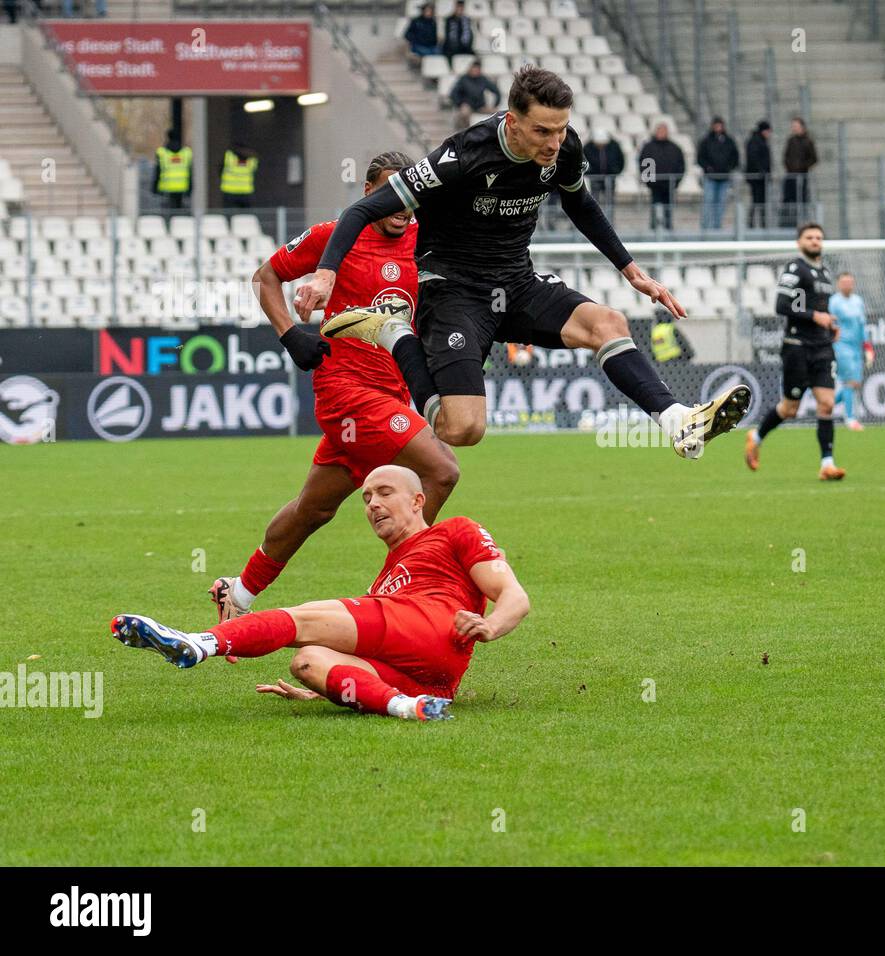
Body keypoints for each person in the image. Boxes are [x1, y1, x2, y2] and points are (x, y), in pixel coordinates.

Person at [294, 66, 751, 461]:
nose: (556, 142)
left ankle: (678, 421)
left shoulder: (564, 148)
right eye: (543, 132)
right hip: (454, 289)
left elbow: (581, 204)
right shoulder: (462, 156)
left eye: (561, 129)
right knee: (463, 430)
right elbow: (359, 211)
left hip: (517, 281)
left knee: (607, 322)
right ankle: (395, 333)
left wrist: (630, 270)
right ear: (512, 122)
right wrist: (325, 272)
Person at [209, 151, 461, 624]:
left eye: (409, 196)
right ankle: (394, 589)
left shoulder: (425, 242)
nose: (401, 206)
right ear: (369, 194)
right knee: (443, 471)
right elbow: (266, 277)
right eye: (390, 194)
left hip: (388, 396)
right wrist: (290, 337)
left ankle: (237, 592)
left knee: (313, 510)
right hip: (346, 390)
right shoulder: (335, 236)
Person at [112, 465, 528, 723]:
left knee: (306, 618)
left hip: (437, 628)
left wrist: (490, 625)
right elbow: (364, 655)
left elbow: (513, 595)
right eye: (366, 497)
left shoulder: (453, 530)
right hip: (433, 682)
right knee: (308, 660)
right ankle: (407, 708)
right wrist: (330, 688)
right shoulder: (383, 582)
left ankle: (198, 644)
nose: (372, 504)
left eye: (384, 492)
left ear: (419, 500)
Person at [744, 223, 845, 481]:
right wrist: (815, 316)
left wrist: (829, 325)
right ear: (799, 242)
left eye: (819, 237)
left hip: (822, 347)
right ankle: (755, 437)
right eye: (809, 237)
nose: (815, 241)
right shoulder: (795, 269)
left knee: (827, 404)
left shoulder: (825, 272)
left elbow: (819, 307)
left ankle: (827, 464)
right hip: (797, 347)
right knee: (790, 409)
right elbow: (781, 305)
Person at [828, 271, 870, 431]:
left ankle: (827, 405)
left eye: (849, 282)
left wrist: (867, 346)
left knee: (855, 383)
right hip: (841, 345)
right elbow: (830, 324)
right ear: (839, 284)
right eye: (844, 282)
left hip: (856, 347)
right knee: (849, 381)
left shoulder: (858, 301)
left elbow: (862, 325)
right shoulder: (834, 302)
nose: (847, 285)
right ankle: (850, 418)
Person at [638, 122, 685, 231]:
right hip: (655, 185)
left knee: (669, 209)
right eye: (660, 130)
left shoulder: (675, 148)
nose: (662, 133)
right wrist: (649, 181)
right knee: (655, 207)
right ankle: (654, 229)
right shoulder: (648, 147)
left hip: (669, 185)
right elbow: (643, 164)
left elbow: (681, 166)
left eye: (664, 131)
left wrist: (676, 181)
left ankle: (668, 228)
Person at [696, 116, 739, 231]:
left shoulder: (729, 141)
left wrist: (729, 168)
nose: (718, 128)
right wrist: (708, 168)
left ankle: (717, 227)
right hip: (710, 178)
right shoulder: (706, 141)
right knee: (708, 202)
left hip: (724, 178)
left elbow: (735, 157)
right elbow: (700, 157)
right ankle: (705, 227)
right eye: (716, 125)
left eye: (720, 125)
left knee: (721, 204)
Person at [780, 117, 817, 228]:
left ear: (802, 127)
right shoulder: (791, 140)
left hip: (802, 175)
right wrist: (789, 166)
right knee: (787, 198)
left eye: (796, 126)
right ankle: (787, 223)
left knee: (801, 199)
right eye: (793, 126)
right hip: (790, 174)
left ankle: (802, 222)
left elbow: (814, 158)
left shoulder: (808, 141)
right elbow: (786, 156)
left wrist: (803, 167)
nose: (794, 128)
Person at [449, 59, 501, 130]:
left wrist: (495, 105)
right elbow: (453, 93)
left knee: (497, 114)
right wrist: (460, 104)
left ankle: (491, 133)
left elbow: (496, 91)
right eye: (474, 68)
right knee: (464, 113)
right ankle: (464, 132)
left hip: (480, 106)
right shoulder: (463, 79)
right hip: (468, 106)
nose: (475, 71)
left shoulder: (483, 79)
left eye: (477, 69)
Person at [583, 127, 625, 209]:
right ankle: (594, 219)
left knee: (610, 201)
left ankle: (610, 219)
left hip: (610, 177)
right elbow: (583, 161)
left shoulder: (614, 146)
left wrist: (616, 171)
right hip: (595, 178)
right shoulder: (588, 147)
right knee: (594, 200)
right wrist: (589, 172)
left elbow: (621, 160)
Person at [154, 130, 192, 211]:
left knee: (168, 214)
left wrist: (154, 187)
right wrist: (190, 189)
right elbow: (190, 172)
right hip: (183, 188)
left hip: (166, 188)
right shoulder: (187, 153)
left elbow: (157, 171)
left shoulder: (162, 153)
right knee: (180, 215)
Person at [744, 120, 772, 229]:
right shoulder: (755, 141)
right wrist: (761, 171)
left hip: (761, 177)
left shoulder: (761, 141)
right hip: (757, 178)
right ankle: (753, 224)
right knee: (756, 201)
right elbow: (753, 159)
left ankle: (761, 223)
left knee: (761, 202)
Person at [220, 143, 258, 209]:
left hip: (230, 192)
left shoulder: (228, 158)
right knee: (245, 216)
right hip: (244, 192)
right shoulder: (252, 162)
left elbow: (220, 170)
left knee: (230, 215)